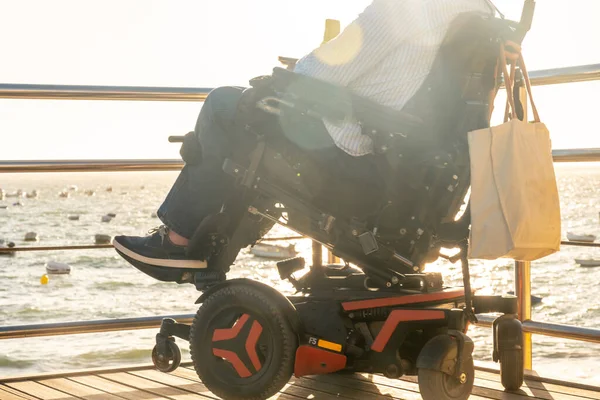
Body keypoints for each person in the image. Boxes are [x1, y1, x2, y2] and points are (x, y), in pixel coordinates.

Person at [112, 0, 495, 271]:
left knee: (228, 106)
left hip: (360, 158)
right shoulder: (478, 12)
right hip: (408, 175)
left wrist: (290, 76)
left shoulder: (401, 8)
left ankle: (180, 241)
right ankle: (212, 237)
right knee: (258, 115)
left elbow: (318, 75)